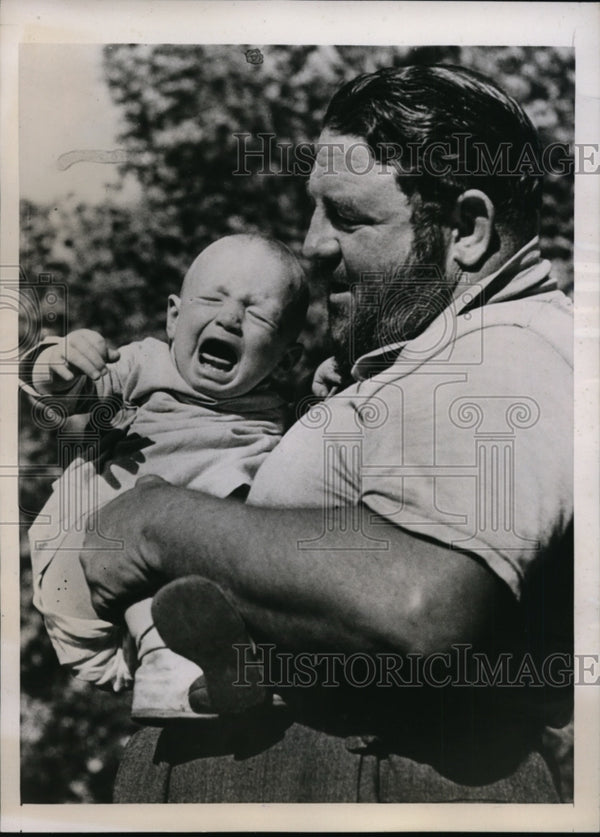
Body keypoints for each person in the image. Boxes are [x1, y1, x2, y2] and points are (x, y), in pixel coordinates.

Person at [80, 65, 573, 803]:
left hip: (361, 776)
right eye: (314, 211)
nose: (310, 246)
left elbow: (423, 604)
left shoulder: (504, 350)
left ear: (468, 230)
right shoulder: (437, 350)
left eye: (348, 218)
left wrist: (157, 521)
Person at [24, 233, 308, 721]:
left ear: (286, 357)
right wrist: (62, 362)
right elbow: (61, 399)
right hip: (86, 562)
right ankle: (165, 666)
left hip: (181, 590)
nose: (230, 318)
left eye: (259, 315)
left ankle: (210, 669)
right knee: (165, 525)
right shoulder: (144, 365)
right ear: (174, 317)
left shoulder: (275, 416)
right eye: (213, 299)